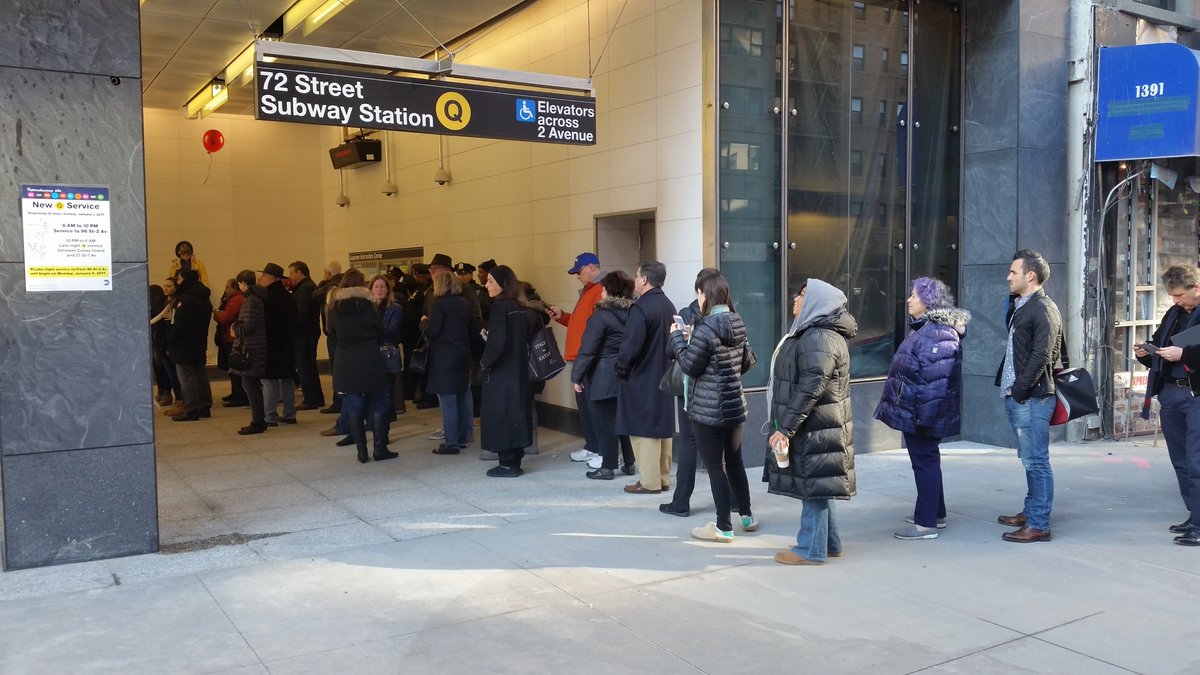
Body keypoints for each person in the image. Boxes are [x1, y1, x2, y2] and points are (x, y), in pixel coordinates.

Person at [765, 280, 858, 565]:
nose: (796, 297)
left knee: (813, 485)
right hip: (819, 424)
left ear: (817, 302)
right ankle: (830, 544)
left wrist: (785, 428)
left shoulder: (819, 336)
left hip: (816, 426)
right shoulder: (816, 333)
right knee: (819, 484)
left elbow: (811, 388)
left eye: (803, 294)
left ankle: (809, 550)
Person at [874, 278, 970, 540]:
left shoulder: (936, 333)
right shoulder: (927, 329)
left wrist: (921, 418)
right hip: (920, 413)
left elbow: (934, 382)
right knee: (928, 460)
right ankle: (935, 514)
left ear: (927, 301)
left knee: (924, 463)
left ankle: (925, 524)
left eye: (913, 296)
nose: (908, 300)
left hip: (923, 415)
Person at [670, 271, 757, 542]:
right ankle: (746, 515)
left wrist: (678, 339)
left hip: (708, 410)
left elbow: (689, 366)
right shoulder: (736, 322)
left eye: (699, 292)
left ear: (705, 294)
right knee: (734, 462)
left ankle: (723, 527)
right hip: (734, 406)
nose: (698, 297)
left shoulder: (705, 327)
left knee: (715, 467)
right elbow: (746, 363)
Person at [994, 249, 1062, 543]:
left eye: (1013, 272)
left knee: (1037, 461)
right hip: (1019, 396)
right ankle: (1031, 510)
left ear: (1030, 275)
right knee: (1028, 459)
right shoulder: (1022, 305)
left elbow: (1042, 355)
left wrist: (1020, 389)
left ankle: (1038, 523)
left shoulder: (1043, 308)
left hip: (1032, 397)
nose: (1008, 277)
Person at [1134, 264, 1200, 546]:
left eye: (1179, 295)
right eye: (1172, 295)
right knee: (1180, 460)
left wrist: (1184, 354)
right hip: (1171, 393)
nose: (1175, 300)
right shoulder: (1174, 313)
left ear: (1196, 288)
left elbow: (1183, 352)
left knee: (1197, 461)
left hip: (1195, 395)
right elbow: (1162, 346)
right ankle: (1194, 513)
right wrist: (1146, 353)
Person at [659, 268, 720, 517]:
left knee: (688, 445)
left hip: (692, 389)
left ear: (699, 290)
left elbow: (672, 352)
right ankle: (736, 502)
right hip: (717, 390)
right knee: (722, 448)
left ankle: (681, 502)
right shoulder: (728, 316)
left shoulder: (688, 315)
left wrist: (679, 338)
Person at [616, 261, 677, 494]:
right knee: (662, 426)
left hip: (642, 376)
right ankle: (662, 478)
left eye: (637, 275)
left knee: (643, 429)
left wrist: (621, 370)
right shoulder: (668, 305)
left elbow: (630, 347)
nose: (635, 279)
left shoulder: (641, 308)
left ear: (644, 280)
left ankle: (649, 482)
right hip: (665, 374)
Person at [572, 270, 637, 480]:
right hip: (626, 374)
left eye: (603, 289)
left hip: (601, 376)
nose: (600, 293)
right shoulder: (634, 314)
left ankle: (607, 467)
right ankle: (629, 462)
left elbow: (588, 350)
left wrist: (577, 376)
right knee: (623, 421)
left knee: (604, 423)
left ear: (609, 292)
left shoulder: (600, 317)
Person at [328, 269, 397, 463]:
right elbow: (380, 332)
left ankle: (361, 452)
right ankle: (379, 449)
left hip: (345, 361)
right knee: (379, 403)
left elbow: (330, 332)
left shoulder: (334, 307)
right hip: (370, 359)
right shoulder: (368, 306)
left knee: (354, 406)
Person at [480, 265, 543, 477]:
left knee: (501, 415)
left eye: (490, 281)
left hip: (501, 372)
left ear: (503, 284)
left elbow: (497, 343)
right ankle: (514, 461)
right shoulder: (519, 307)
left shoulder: (500, 308)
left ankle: (506, 464)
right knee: (515, 413)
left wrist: (485, 363)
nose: (486, 284)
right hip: (518, 370)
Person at [549, 252, 606, 465]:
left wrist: (587, 359)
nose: (577, 276)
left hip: (590, 358)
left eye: (579, 272)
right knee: (585, 405)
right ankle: (592, 446)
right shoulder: (588, 292)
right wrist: (563, 316)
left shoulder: (600, 291)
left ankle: (602, 450)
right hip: (581, 357)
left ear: (591, 268)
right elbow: (580, 324)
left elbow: (597, 330)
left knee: (594, 406)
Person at [426, 271, 480, 455]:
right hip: (463, 354)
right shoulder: (465, 303)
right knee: (464, 395)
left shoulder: (439, 304)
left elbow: (433, 331)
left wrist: (423, 323)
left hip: (444, 357)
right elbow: (473, 329)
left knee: (447, 399)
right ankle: (465, 435)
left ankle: (452, 442)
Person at [166, 269, 213, 421]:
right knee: (200, 373)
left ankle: (191, 408)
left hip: (184, 344)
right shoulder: (204, 297)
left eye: (179, 280)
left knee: (186, 377)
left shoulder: (186, 299)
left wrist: (170, 339)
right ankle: (204, 406)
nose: (177, 283)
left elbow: (180, 324)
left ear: (185, 280)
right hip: (199, 342)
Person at [258, 263, 298, 427]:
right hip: (288, 343)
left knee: (269, 381)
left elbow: (264, 323)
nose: (261, 279)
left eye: (264, 276)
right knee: (288, 379)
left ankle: (269, 416)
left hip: (270, 344)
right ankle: (289, 414)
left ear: (272, 278)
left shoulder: (266, 297)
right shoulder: (289, 296)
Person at [231, 270, 269, 435]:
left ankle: (258, 421)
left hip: (252, 347)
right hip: (256, 346)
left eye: (239, 284)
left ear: (243, 283)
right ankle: (259, 420)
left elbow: (248, 326)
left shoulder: (251, 300)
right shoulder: (255, 298)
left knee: (250, 385)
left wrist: (234, 327)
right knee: (251, 384)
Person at [288, 261, 325, 411]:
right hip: (308, 332)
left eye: (291, 273)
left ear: (299, 272)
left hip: (304, 334)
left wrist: (292, 328)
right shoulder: (307, 286)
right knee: (309, 366)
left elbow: (301, 313)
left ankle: (311, 399)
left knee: (305, 367)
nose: (290, 276)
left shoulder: (304, 288)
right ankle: (315, 398)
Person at [370, 273, 405, 419]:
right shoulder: (367, 308)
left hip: (388, 352)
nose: (379, 290)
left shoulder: (395, 308)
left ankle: (386, 420)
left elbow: (391, 331)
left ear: (388, 290)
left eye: (382, 287)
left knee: (386, 389)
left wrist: (372, 328)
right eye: (376, 286)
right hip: (371, 353)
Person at [312, 260, 345, 415]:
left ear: (328, 273)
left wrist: (323, 283)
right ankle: (341, 400)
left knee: (336, 368)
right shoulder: (343, 284)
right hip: (342, 333)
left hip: (334, 333)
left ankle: (339, 401)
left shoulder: (330, 286)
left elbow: (315, 296)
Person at [212, 277, 248, 408]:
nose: (225, 290)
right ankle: (235, 393)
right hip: (229, 337)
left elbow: (226, 318)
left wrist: (216, 314)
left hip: (232, 338)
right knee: (231, 370)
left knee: (235, 370)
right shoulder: (233, 299)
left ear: (235, 288)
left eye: (227, 287)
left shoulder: (236, 300)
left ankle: (239, 396)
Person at [150, 282, 180, 409]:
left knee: (169, 372)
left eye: (169, 286)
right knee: (159, 368)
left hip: (165, 341)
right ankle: (162, 391)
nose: (166, 288)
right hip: (158, 341)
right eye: (165, 286)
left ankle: (175, 396)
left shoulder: (171, 305)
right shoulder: (159, 304)